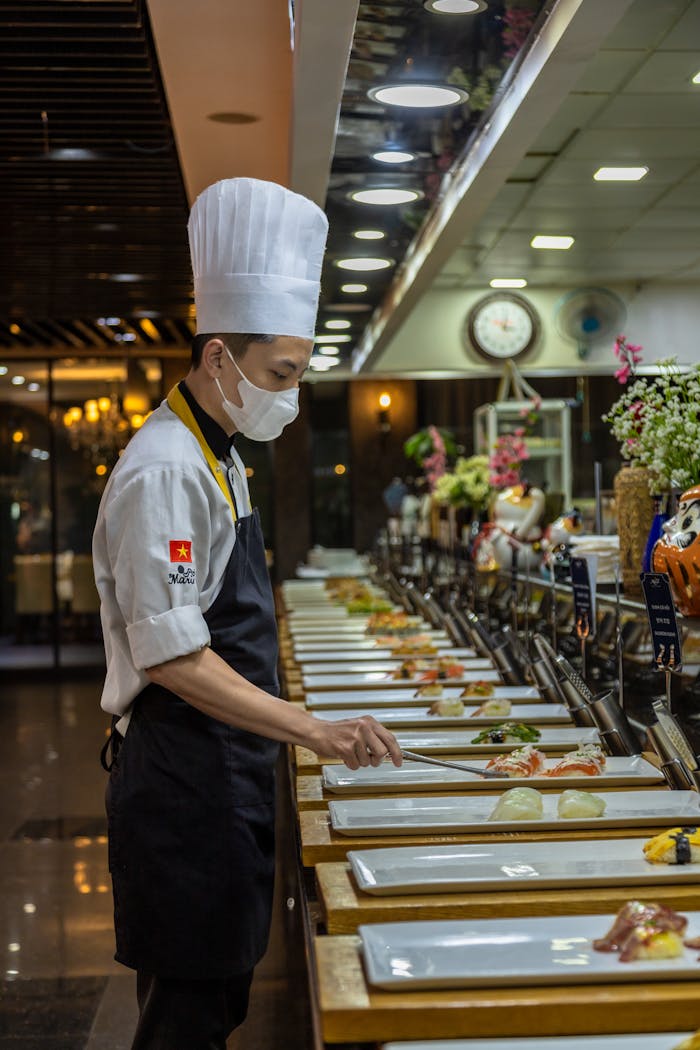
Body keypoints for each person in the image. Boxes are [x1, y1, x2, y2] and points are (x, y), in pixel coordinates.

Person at [92, 178, 402, 1050]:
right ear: (220, 355)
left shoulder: (216, 453)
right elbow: (175, 659)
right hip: (183, 775)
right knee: (186, 1018)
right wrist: (316, 730)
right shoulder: (166, 468)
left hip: (222, 764)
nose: (289, 396)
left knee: (218, 996)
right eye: (280, 375)